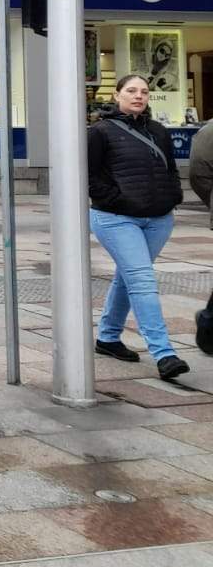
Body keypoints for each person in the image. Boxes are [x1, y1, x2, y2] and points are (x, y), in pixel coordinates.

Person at [88, 74, 190, 380]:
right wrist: (116, 200)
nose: (138, 96)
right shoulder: (100, 132)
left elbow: (171, 170)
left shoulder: (158, 130)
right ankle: (164, 353)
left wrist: (174, 195)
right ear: (117, 94)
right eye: (131, 91)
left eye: (144, 92)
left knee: (128, 276)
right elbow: (90, 176)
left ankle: (108, 337)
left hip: (158, 219)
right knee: (142, 279)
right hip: (117, 218)